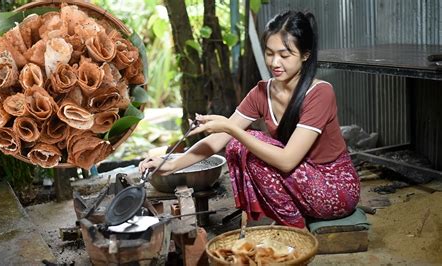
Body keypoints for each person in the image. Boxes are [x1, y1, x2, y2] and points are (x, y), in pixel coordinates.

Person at [139, 10, 360, 229]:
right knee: (238, 147)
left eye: (284, 55)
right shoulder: (262, 92)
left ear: (305, 55)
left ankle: (293, 228)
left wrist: (230, 128)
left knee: (245, 142)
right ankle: (292, 221)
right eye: (269, 53)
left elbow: (287, 161)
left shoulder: (320, 93)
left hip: (335, 189)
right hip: (303, 183)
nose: (275, 62)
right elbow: (218, 140)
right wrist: (171, 164)